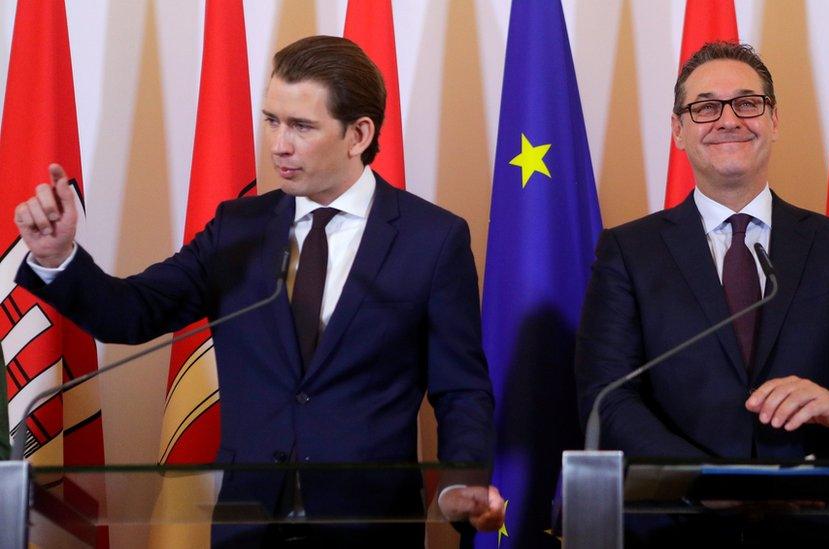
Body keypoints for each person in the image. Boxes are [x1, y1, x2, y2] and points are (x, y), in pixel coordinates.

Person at [13, 36, 503, 547]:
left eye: (301, 126)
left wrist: (459, 484)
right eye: (272, 120)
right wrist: (57, 258)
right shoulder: (238, 228)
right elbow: (132, 314)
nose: (278, 145)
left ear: (358, 134)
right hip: (247, 528)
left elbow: (461, 389)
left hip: (369, 528)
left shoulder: (432, 238)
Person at [575, 41, 829, 547]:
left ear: (773, 120)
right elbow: (607, 396)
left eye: (747, 103)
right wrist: (704, 479)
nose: (728, 119)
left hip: (816, 529)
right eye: (706, 107)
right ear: (678, 131)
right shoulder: (629, 251)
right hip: (678, 527)